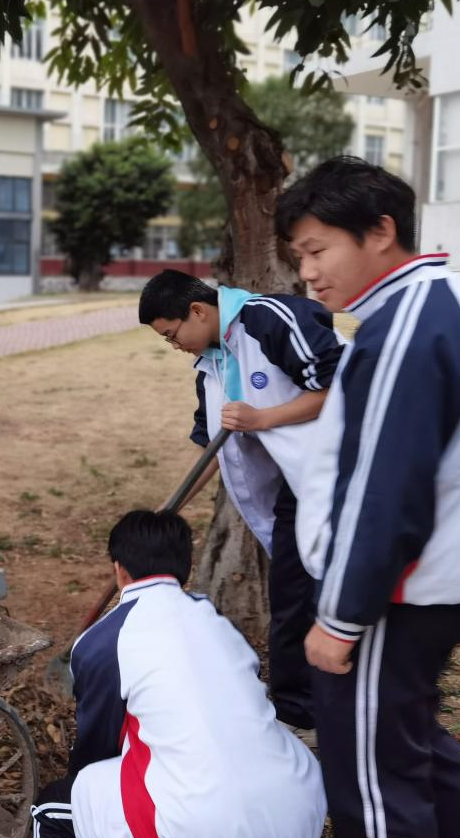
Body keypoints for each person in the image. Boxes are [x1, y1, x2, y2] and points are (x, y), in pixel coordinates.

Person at [277, 156, 460, 838]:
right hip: (437, 583)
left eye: (317, 251)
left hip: (392, 599)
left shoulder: (407, 328)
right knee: (409, 743)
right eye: (299, 257)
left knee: (375, 791)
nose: (308, 273)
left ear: (380, 231)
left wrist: (340, 619)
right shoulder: (447, 302)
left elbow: (385, 492)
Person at [31, 510, 326, 838]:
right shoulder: (218, 622)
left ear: (119, 570)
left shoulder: (103, 640)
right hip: (296, 819)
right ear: (187, 566)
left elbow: (98, 744)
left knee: (52, 812)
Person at [137, 268, 343, 731]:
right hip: (298, 490)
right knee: (296, 595)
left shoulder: (270, 319)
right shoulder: (210, 365)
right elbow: (212, 448)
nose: (175, 347)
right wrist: (170, 507)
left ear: (197, 310)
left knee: (305, 598)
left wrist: (264, 418)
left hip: (339, 475)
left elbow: (344, 386)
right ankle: (304, 707)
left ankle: (305, 714)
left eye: (173, 335)